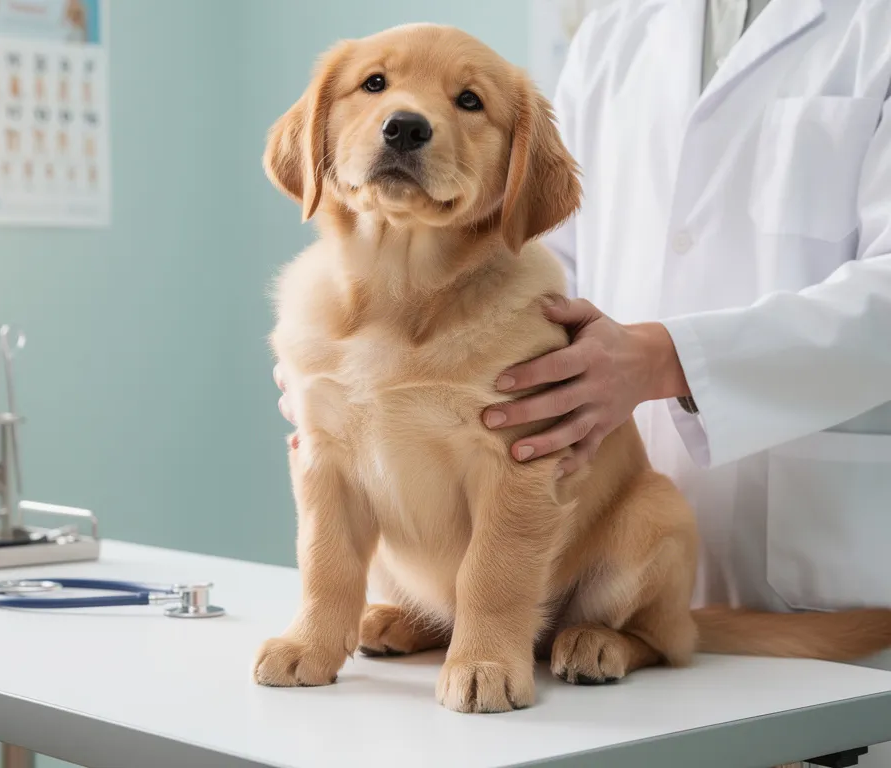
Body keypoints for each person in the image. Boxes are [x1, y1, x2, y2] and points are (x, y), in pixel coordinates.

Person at [276, 0, 891, 759]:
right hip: (560, 559)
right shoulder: (618, 27)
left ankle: (633, 626)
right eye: (376, 85)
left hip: (805, 534)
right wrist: (358, 371)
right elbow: (532, 245)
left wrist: (667, 357)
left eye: (465, 99)